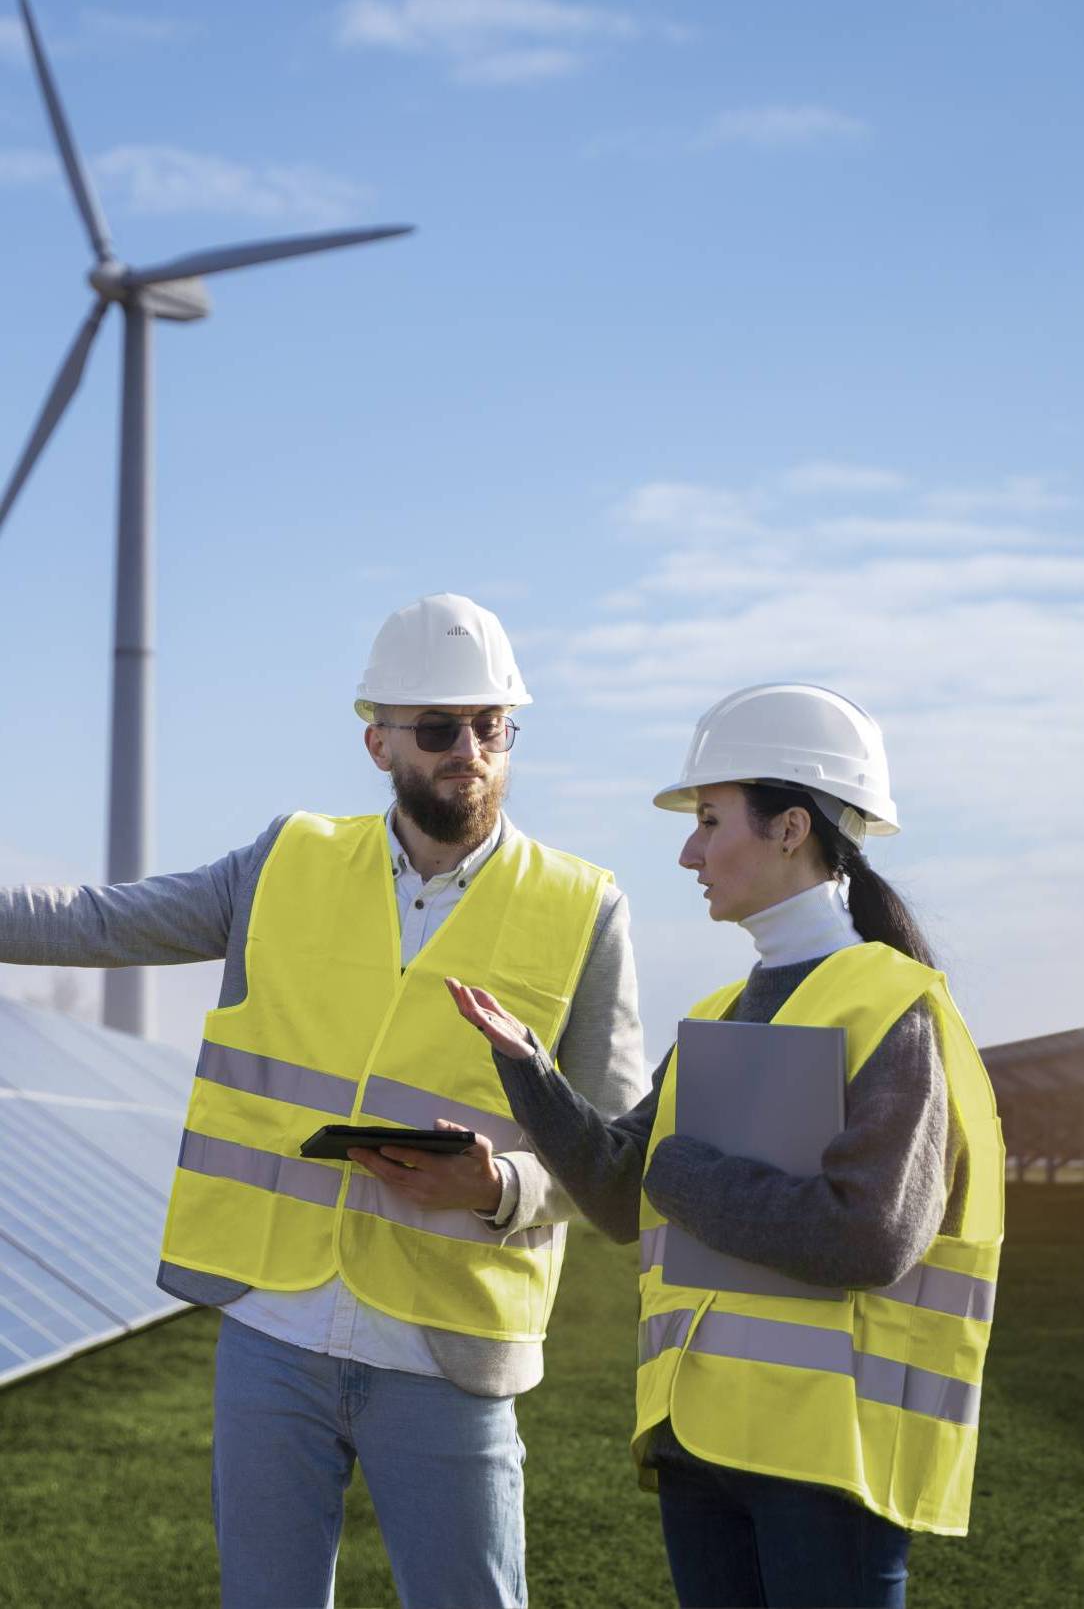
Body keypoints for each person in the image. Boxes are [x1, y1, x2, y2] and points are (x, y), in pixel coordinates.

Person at [0, 591, 645, 1609]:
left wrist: (501, 1188)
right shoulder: (284, 860)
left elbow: (615, 1157)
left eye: (491, 727)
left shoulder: (581, 907)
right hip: (273, 1331)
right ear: (378, 741)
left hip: (449, 1350)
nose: (468, 751)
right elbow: (94, 923)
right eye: (438, 730)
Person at [447, 682, 1004, 1609]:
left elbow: (867, 1235)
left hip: (829, 1462)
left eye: (710, 820)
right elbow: (626, 1195)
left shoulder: (893, 1008)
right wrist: (532, 1073)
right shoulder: (716, 1012)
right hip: (699, 1441)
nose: (689, 850)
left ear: (791, 828)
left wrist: (680, 1170)